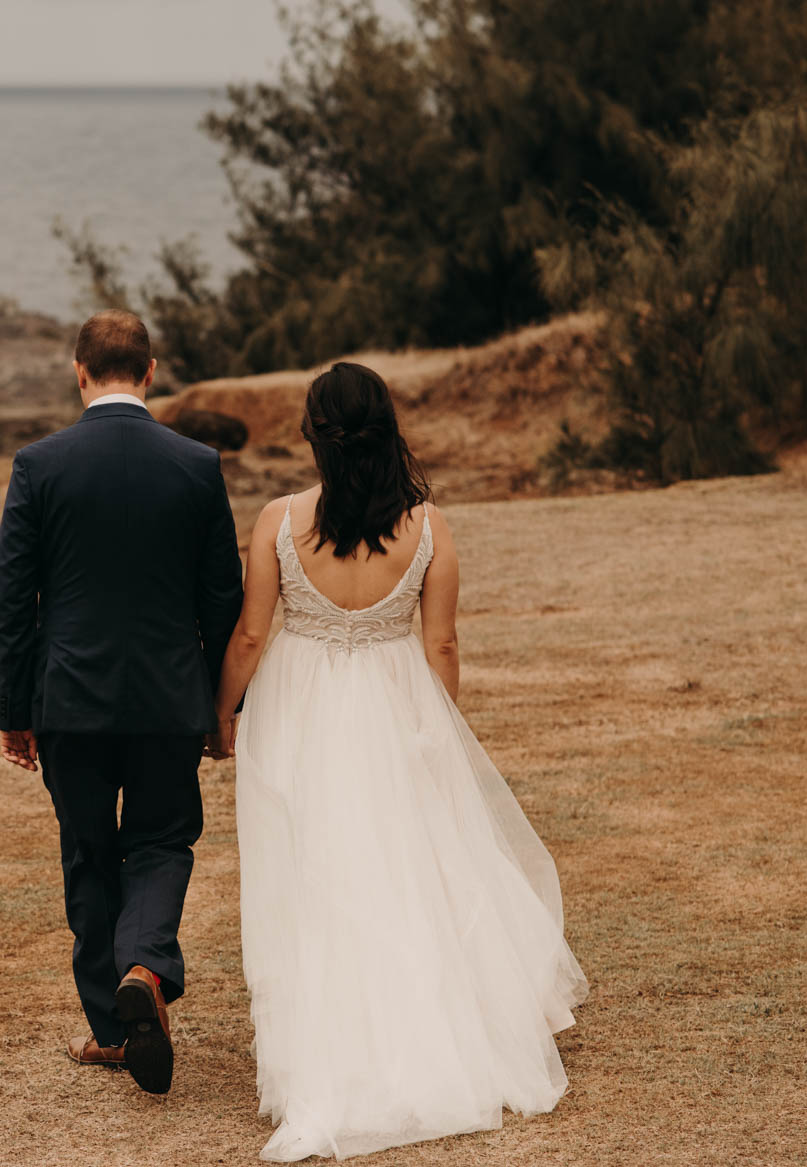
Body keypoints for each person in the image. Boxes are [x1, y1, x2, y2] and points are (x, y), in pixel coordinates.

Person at [213, 362, 587, 1161]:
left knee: (313, 870)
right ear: (388, 428)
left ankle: (336, 1033)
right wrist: (434, 725)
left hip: (302, 705)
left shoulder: (279, 520)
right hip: (394, 699)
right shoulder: (429, 527)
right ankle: (431, 1025)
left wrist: (221, 709)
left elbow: (250, 634)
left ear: (314, 434)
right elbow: (442, 643)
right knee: (407, 865)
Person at [0, 310, 244, 1094]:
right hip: (169, 699)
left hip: (71, 702)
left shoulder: (40, 465)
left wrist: (13, 708)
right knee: (163, 842)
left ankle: (111, 1026)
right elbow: (221, 599)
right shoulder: (197, 465)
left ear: (79, 370)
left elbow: (12, 599)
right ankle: (146, 965)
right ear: (152, 370)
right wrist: (221, 705)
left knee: (90, 853)